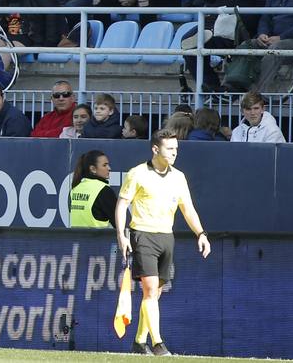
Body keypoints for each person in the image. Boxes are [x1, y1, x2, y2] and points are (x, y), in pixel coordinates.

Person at [115, 129, 212, 357]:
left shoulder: (178, 177)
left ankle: (139, 341)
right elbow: (121, 205)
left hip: (166, 237)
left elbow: (187, 208)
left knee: (154, 294)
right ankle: (158, 343)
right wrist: (122, 234)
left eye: (176, 149)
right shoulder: (137, 173)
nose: (174, 153)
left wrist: (201, 233)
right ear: (155, 149)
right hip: (143, 235)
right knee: (149, 290)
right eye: (170, 148)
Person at [69, 150, 117, 229]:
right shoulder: (104, 190)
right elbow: (119, 223)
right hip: (99, 240)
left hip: (76, 240)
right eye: (104, 165)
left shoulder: (75, 188)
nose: (109, 168)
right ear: (93, 169)